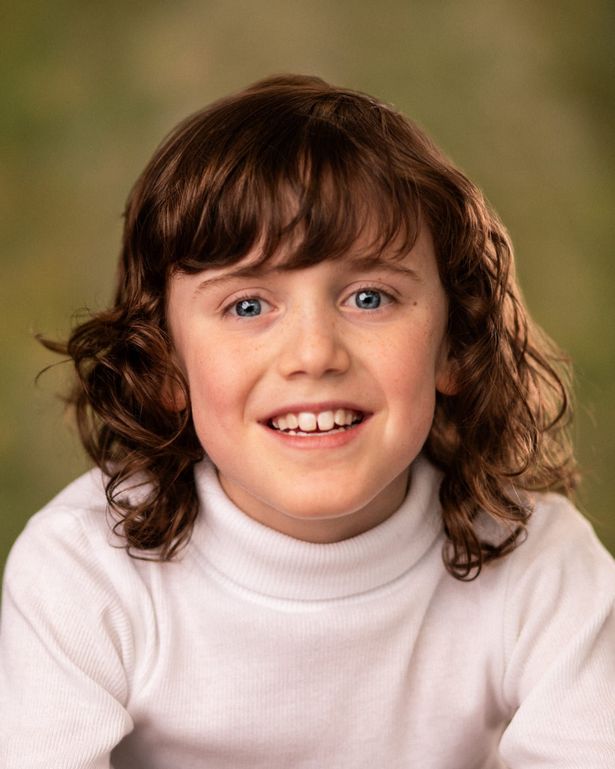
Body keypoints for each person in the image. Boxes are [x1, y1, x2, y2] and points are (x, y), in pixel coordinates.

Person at [1, 74, 613, 769]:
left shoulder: (541, 565)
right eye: (247, 306)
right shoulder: (82, 572)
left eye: (369, 296)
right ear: (166, 364)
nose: (314, 353)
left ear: (453, 346)